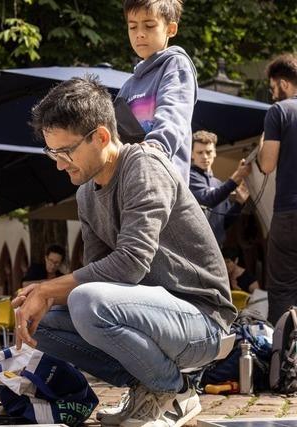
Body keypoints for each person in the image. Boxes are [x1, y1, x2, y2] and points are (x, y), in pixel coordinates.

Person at [15, 76, 236, 427]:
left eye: (65, 152)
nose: (58, 164)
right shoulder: (87, 193)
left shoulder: (144, 167)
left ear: (101, 136)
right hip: (150, 314)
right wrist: (39, 297)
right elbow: (99, 271)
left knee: (87, 302)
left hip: (203, 320)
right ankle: (146, 387)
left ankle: (175, 393)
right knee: (40, 322)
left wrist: (49, 289)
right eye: (51, 152)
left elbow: (130, 264)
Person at [117, 0, 197, 184]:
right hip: (131, 180)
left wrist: (155, 147)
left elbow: (174, 112)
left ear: (171, 29)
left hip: (162, 178)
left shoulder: (175, 65)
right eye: (132, 27)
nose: (140, 34)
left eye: (149, 25)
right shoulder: (128, 85)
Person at [258, 53, 297, 324]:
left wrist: (263, 141)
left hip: (289, 213)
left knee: (282, 290)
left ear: (283, 84)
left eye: (273, 89)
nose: (273, 96)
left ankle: (282, 363)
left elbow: (267, 164)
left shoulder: (279, 112)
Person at [189, 130, 251, 246]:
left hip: (217, 248)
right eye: (199, 152)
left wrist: (239, 203)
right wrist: (237, 176)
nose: (205, 156)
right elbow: (209, 199)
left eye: (208, 152)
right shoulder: (189, 177)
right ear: (192, 154)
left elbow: (224, 223)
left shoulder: (219, 184)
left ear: (215, 153)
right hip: (197, 248)